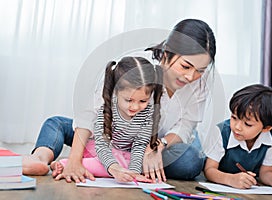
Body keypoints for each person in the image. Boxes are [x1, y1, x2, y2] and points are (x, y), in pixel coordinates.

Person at [23, 18, 216, 183]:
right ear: (167, 54)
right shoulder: (137, 66)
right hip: (114, 133)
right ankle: (40, 158)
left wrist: (158, 146)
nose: (191, 77)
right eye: (185, 66)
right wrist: (73, 162)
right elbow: (93, 111)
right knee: (56, 123)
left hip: (152, 143)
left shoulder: (200, 84)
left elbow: (186, 126)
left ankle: (116, 161)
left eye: (200, 71)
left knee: (190, 161)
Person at [50, 56, 163, 183]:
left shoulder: (147, 113)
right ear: (116, 91)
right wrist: (114, 167)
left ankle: (85, 166)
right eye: (128, 100)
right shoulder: (107, 109)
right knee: (118, 160)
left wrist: (134, 173)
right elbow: (102, 146)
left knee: (137, 160)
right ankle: (66, 164)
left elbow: (139, 145)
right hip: (98, 150)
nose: (135, 107)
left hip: (125, 154)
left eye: (143, 101)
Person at [203, 84, 272, 194]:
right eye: (234, 118)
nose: (237, 127)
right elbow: (209, 170)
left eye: (248, 124)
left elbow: (266, 172)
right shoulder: (221, 131)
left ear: (266, 128)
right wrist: (231, 179)